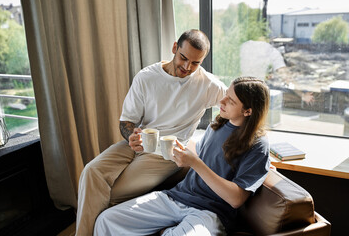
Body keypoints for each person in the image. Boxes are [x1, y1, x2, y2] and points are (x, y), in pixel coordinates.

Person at [75, 29, 227, 236]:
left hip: (166, 153)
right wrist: (130, 136)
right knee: (91, 172)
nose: (187, 67)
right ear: (175, 48)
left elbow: (238, 107)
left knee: (113, 194)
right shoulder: (147, 77)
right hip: (138, 143)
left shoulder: (209, 85)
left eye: (195, 63)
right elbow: (126, 121)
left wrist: (254, 143)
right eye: (183, 58)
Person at [94, 77, 271, 236]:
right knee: (107, 220)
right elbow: (199, 153)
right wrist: (160, 145)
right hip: (176, 197)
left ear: (248, 111)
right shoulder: (218, 125)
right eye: (225, 95)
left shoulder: (258, 146)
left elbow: (236, 199)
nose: (222, 101)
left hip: (210, 212)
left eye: (230, 101)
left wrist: (195, 163)